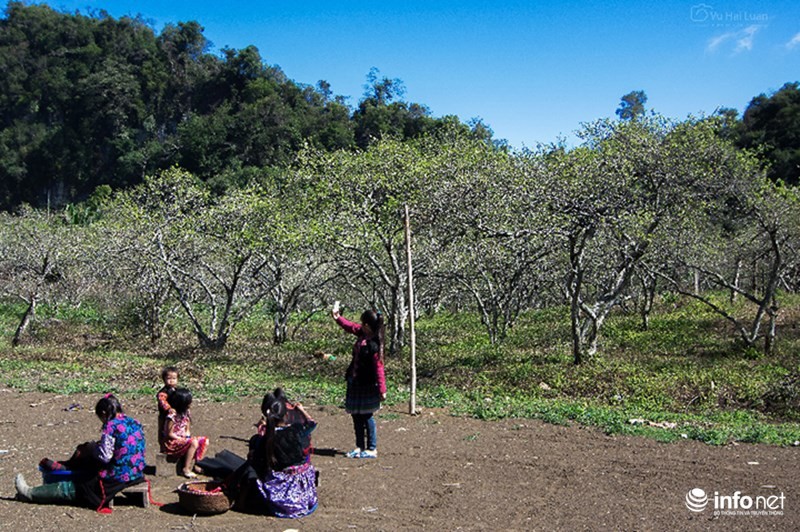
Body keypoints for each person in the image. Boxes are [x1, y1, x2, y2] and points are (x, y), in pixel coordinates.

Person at [15, 394, 147, 514]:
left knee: (81, 486)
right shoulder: (134, 422)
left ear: (103, 413)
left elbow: (105, 457)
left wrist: (92, 449)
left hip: (119, 475)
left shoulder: (110, 425)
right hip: (136, 472)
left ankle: (30, 493)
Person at [332, 306, 387, 459]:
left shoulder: (374, 345)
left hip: (367, 384)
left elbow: (379, 368)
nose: (360, 325)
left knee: (366, 416)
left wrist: (382, 389)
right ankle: (359, 446)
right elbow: (350, 326)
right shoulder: (362, 333)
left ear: (367, 326)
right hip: (355, 381)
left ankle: (371, 448)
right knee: (355, 415)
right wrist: (338, 318)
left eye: (362, 323)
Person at [161, 387, 208, 478]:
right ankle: (186, 469)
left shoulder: (186, 413)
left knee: (204, 440)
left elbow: (187, 429)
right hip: (172, 442)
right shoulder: (172, 416)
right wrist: (182, 439)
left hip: (182, 438)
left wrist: (187, 436)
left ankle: (198, 464)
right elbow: (169, 434)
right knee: (193, 442)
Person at [155, 366, 178, 450]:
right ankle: (162, 446)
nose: (171, 380)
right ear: (164, 379)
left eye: (174, 378)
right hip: (164, 416)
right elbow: (162, 401)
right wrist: (169, 409)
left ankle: (173, 446)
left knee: (173, 430)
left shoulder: (177, 390)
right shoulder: (163, 392)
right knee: (162, 431)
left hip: (174, 416)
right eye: (169, 378)